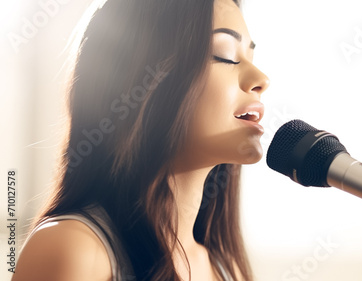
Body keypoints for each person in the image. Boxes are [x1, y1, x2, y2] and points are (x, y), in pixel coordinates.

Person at [12, 0, 269, 280]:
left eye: (251, 59)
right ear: (145, 78)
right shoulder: (73, 250)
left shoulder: (226, 269)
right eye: (225, 54)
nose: (261, 79)